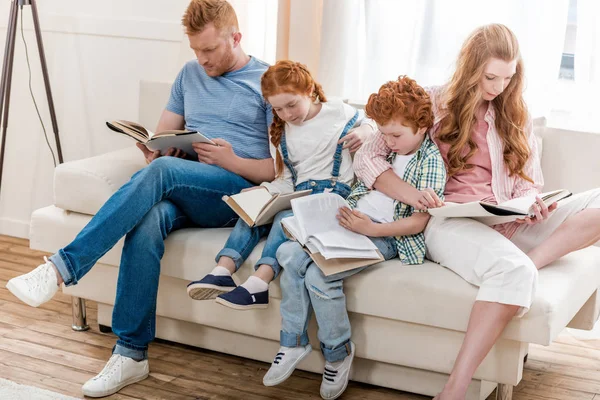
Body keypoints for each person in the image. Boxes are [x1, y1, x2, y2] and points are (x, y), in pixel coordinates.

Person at [7, 0, 276, 397]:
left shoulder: (269, 82)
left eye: (210, 50)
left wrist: (232, 160)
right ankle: (131, 354)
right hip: (190, 187)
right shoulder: (188, 74)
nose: (201, 60)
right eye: (195, 51)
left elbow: (281, 171)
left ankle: (61, 268)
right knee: (149, 218)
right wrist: (155, 149)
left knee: (162, 174)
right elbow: (162, 134)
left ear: (236, 38)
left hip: (237, 195)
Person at [352, 24, 600, 400]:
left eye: (508, 76)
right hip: (448, 221)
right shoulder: (432, 103)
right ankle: (454, 389)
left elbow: (528, 180)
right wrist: (414, 196)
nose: (499, 86)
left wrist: (532, 202)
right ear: (471, 67)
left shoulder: (514, 112)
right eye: (490, 76)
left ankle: (528, 267)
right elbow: (368, 156)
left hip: (506, 219)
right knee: (510, 270)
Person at [263, 76, 446, 400]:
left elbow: (418, 223)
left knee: (321, 275)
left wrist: (372, 230)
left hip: (383, 234)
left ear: (422, 125)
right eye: (383, 133)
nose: (387, 142)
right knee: (289, 255)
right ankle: (292, 342)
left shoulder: (430, 160)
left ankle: (337, 352)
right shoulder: (384, 149)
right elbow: (367, 168)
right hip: (350, 219)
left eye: (396, 135)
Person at [187, 60, 361, 310]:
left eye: (292, 104)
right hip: (299, 193)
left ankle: (259, 282)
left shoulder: (337, 111)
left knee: (283, 216)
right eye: (278, 109)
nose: (287, 115)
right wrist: (265, 190)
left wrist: (365, 132)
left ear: (310, 91)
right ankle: (222, 271)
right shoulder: (281, 133)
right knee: (253, 211)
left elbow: (371, 124)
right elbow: (287, 179)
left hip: (332, 197)